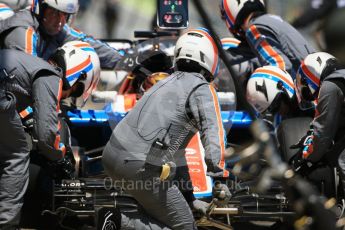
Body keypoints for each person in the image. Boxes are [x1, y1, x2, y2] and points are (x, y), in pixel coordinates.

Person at [102, 28, 229, 229]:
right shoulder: (202, 88)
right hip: (139, 165)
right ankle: (120, 222)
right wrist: (220, 177)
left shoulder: (164, 83)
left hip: (112, 155)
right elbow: (213, 134)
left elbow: (176, 152)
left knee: (159, 217)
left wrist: (188, 199)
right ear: (210, 58)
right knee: (187, 226)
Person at [0, 42, 100, 228]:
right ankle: (6, 225)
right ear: (78, 75)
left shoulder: (32, 67)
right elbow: (46, 136)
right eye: (77, 89)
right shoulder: (51, 76)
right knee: (16, 155)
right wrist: (60, 157)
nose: (67, 95)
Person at [0, 0, 121, 69]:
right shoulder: (23, 31)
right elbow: (30, 74)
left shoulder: (57, 29)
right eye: (54, 12)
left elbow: (86, 43)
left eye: (65, 15)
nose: (60, 20)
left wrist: (127, 61)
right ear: (40, 9)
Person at [220, 0, 316, 79]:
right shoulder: (271, 20)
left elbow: (280, 67)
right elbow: (241, 53)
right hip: (318, 80)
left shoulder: (255, 29)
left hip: (312, 92)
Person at [292, 52, 345, 185]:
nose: (312, 96)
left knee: (342, 160)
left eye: (306, 92)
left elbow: (323, 134)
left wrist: (307, 158)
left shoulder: (330, 85)